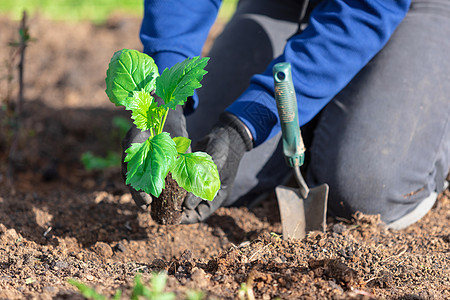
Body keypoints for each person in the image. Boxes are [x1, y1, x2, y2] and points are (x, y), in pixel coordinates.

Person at [123, 0, 450, 229]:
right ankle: (318, 116)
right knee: (215, 175)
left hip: (401, 6)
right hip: (285, 4)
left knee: (371, 190)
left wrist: (246, 124)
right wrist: (164, 95)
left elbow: (368, 8)